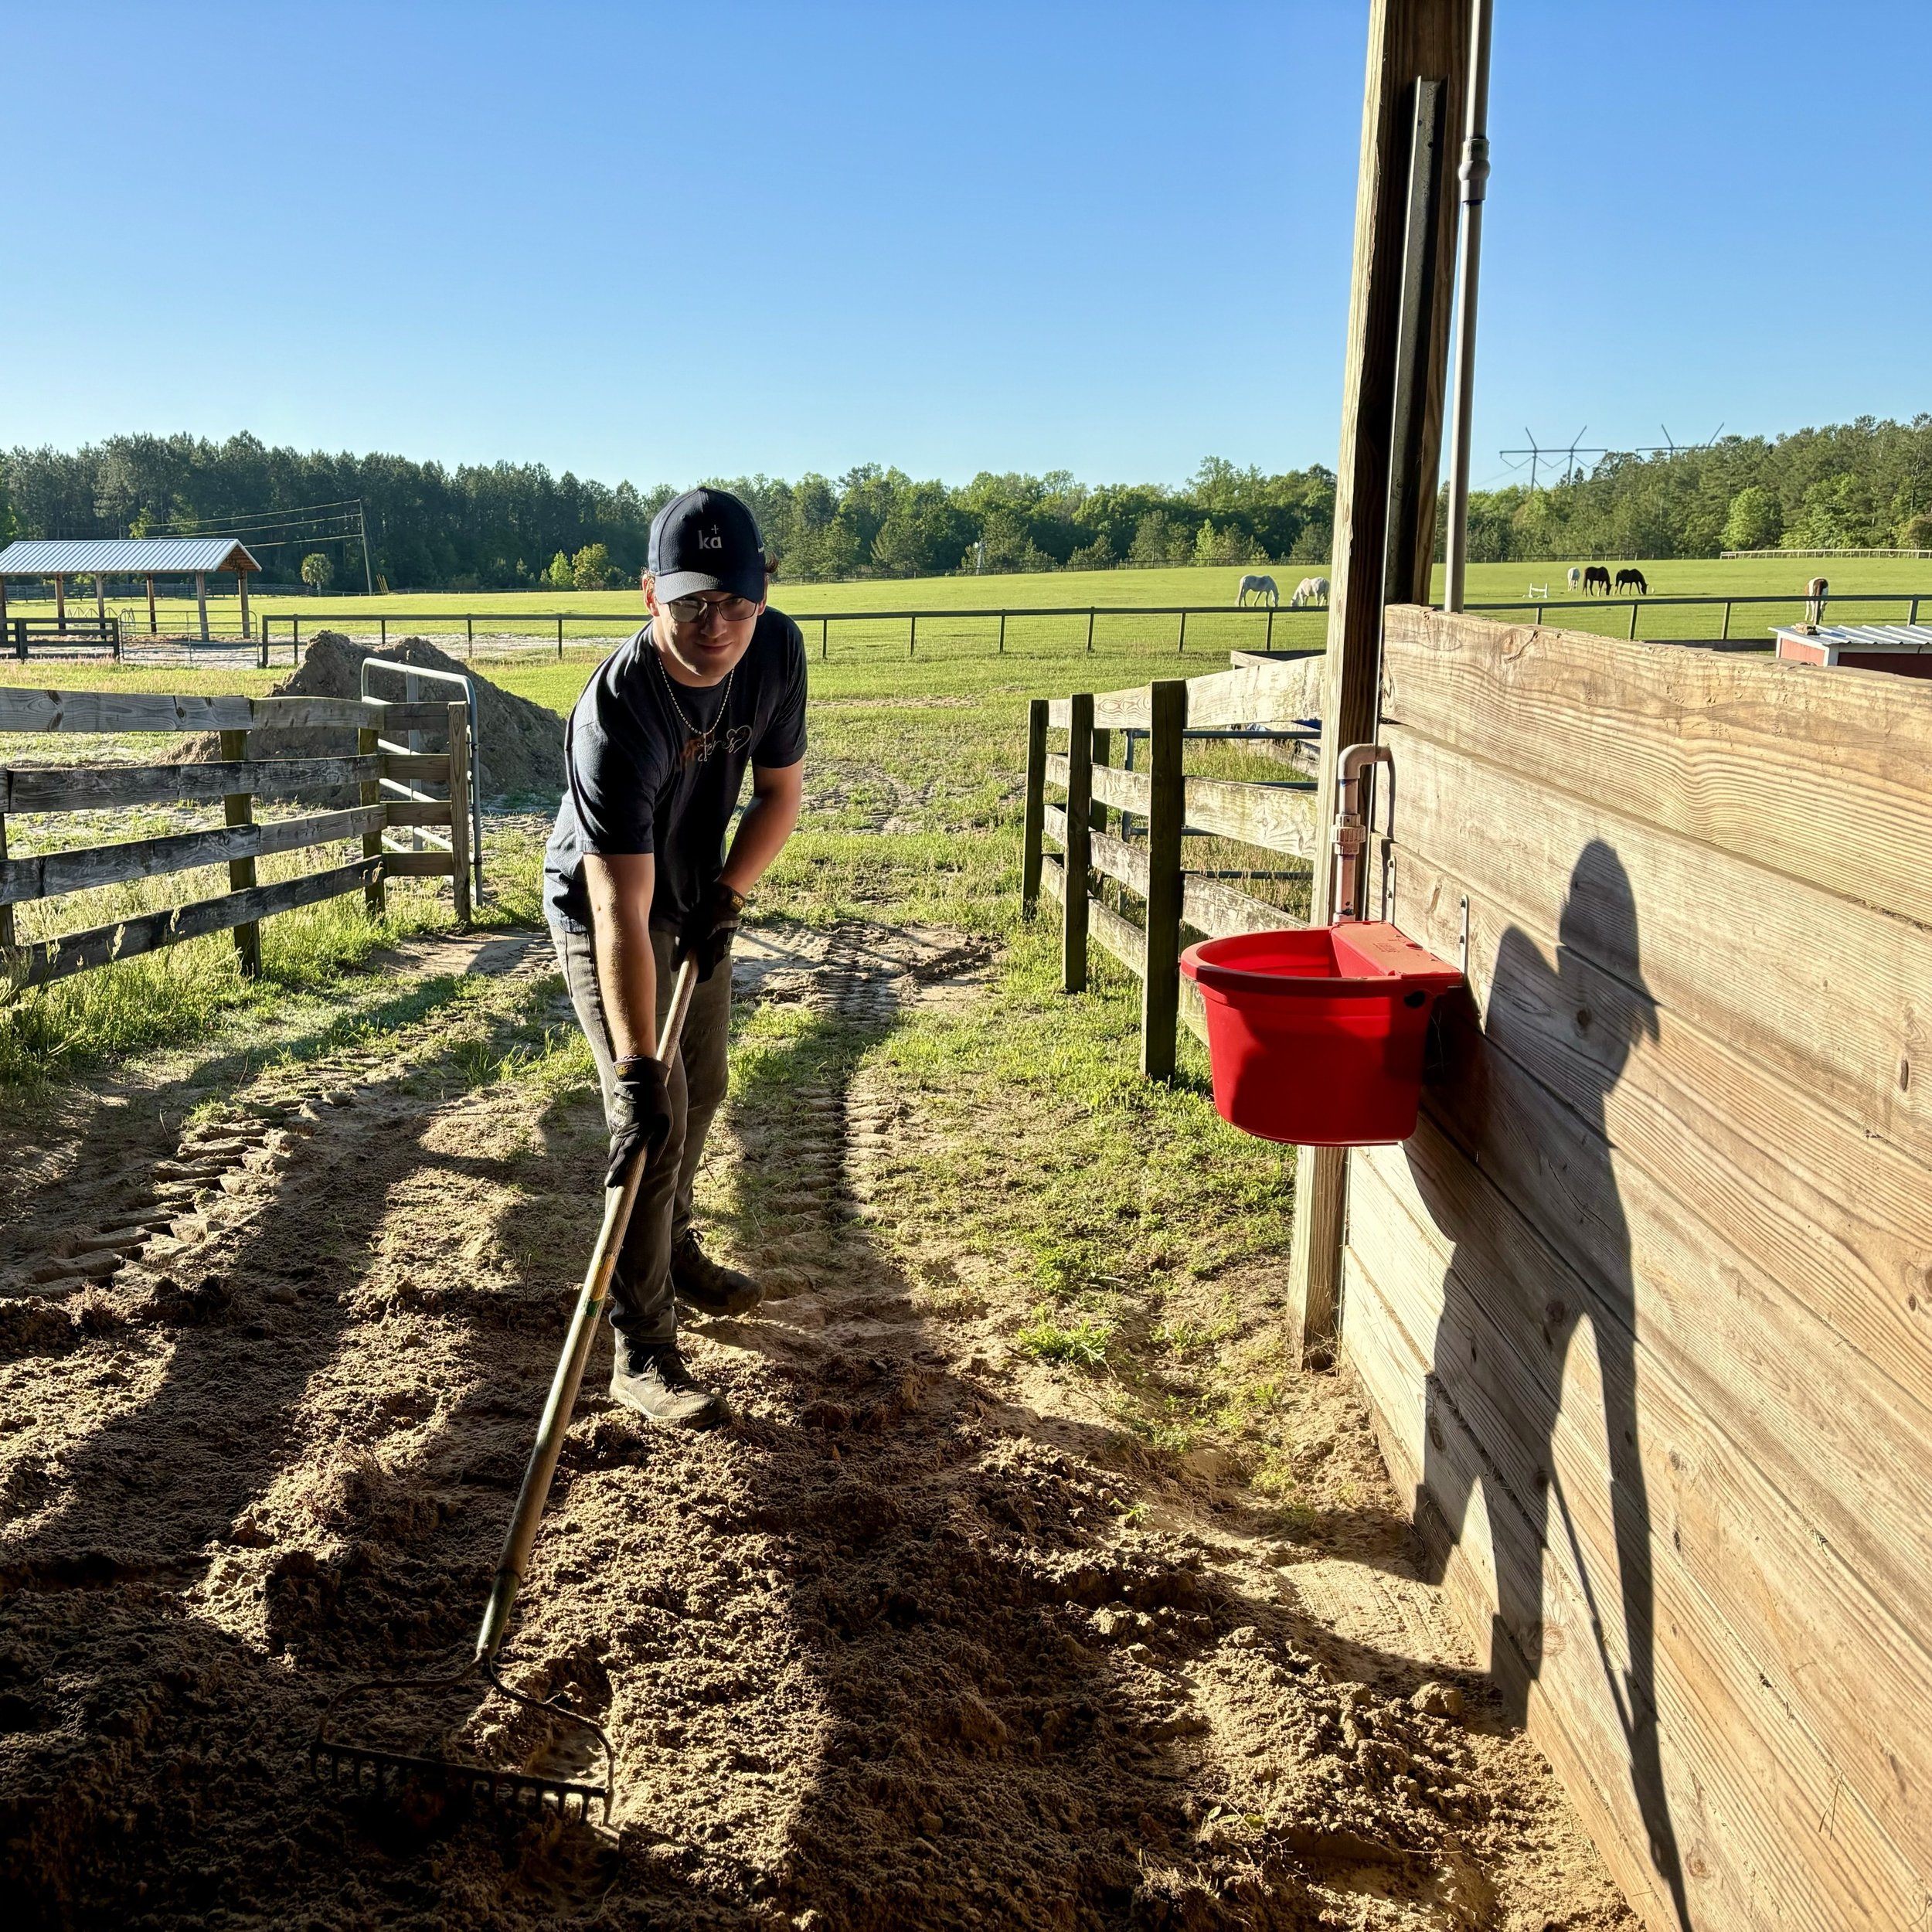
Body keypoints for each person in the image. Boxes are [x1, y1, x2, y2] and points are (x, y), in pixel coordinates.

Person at [543, 488, 805, 1427]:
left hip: (694, 886)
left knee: (708, 1082)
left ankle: (675, 1244)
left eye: (736, 602)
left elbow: (779, 792)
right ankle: (641, 1348)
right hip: (607, 905)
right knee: (652, 1116)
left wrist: (730, 893)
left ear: (762, 594)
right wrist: (635, 1063)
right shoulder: (617, 712)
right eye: (692, 603)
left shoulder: (775, 649)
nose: (717, 626)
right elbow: (619, 902)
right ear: (649, 593)